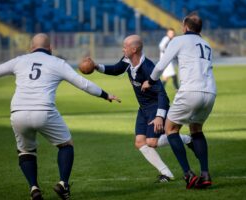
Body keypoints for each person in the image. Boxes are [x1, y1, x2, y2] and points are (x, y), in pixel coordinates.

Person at [0, 33, 121, 200]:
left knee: (25, 151)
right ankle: (63, 184)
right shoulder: (57, 62)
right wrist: (105, 95)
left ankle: (34, 188)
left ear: (31, 48)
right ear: (51, 48)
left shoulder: (20, 60)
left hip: (18, 112)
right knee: (66, 144)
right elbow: (83, 84)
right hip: (44, 111)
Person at [82, 35, 194, 183]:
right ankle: (166, 174)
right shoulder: (127, 60)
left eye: (125, 46)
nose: (123, 49)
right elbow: (116, 69)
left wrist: (160, 116)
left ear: (134, 49)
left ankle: (186, 139)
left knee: (152, 142)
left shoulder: (148, 67)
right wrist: (96, 66)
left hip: (156, 107)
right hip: (143, 109)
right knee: (140, 142)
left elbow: (162, 93)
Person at [141, 12, 216, 189]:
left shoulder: (179, 40)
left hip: (190, 90)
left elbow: (161, 64)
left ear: (185, 26)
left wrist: (149, 81)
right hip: (210, 92)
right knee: (196, 130)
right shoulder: (206, 44)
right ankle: (205, 173)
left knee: (170, 129)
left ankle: (188, 174)